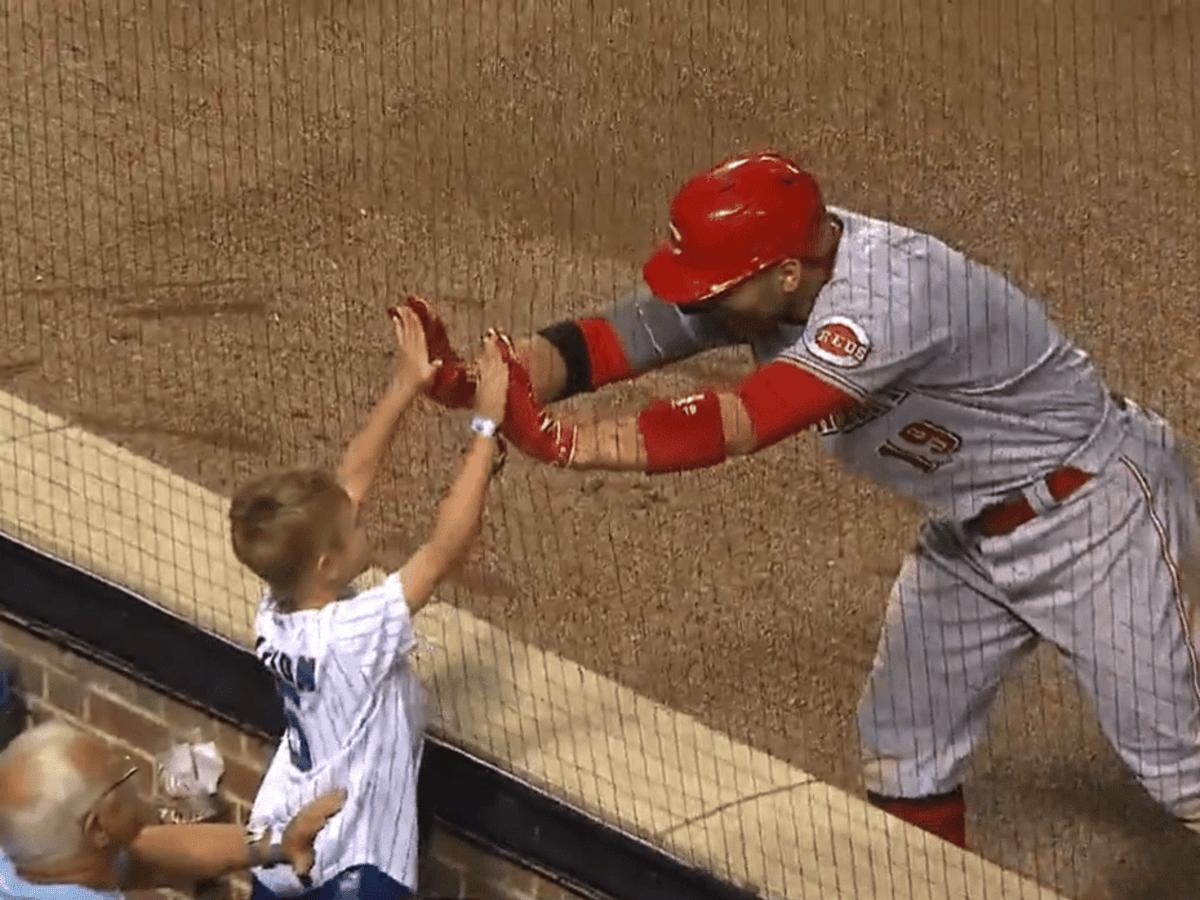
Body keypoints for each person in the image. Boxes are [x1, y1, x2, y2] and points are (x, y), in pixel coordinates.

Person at [408, 150, 1200, 850]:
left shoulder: (886, 297)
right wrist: (486, 381)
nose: (703, 304)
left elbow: (743, 420)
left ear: (786, 273)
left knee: (1180, 773)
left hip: (1095, 518)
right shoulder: (765, 277)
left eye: (717, 288)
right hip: (973, 530)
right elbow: (607, 342)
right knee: (904, 746)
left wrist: (570, 443)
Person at [228, 306, 509, 899]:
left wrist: (405, 385)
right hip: (355, 861)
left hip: (282, 838)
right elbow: (444, 549)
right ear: (327, 564)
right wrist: (484, 431)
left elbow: (345, 486)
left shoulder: (277, 607)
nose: (363, 526)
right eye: (351, 531)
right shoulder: (352, 633)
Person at [0, 719, 345, 893]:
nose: (133, 773)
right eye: (119, 778)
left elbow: (154, 852)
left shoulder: (31, 855)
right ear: (97, 828)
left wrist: (281, 840)